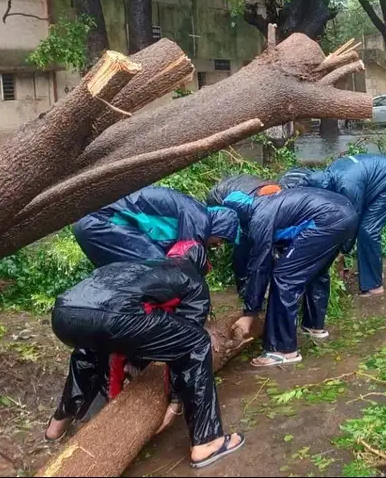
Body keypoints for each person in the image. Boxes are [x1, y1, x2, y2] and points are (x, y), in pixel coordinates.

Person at [45, 244, 245, 469]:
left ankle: (57, 425)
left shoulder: (138, 263)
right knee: (197, 342)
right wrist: (175, 402)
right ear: (200, 264)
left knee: (89, 348)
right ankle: (207, 441)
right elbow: (183, 346)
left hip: (63, 314)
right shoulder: (192, 277)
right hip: (116, 317)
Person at [207, 181, 358, 367]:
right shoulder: (263, 204)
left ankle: (283, 350)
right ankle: (313, 326)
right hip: (345, 212)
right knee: (316, 272)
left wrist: (250, 313)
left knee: (284, 278)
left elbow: (258, 268)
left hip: (326, 219)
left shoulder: (259, 220)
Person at [278, 154, 386, 297]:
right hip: (372, 178)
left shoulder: (346, 186)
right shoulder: (329, 175)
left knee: (367, 230)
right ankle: (373, 270)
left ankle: (374, 287)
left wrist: (342, 254)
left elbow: (351, 223)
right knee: (360, 227)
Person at [73, 185, 241, 268]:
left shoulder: (191, 213)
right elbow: (186, 262)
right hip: (101, 221)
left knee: (123, 278)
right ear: (220, 226)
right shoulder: (200, 217)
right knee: (161, 270)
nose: (218, 245)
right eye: (223, 239)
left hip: (87, 222)